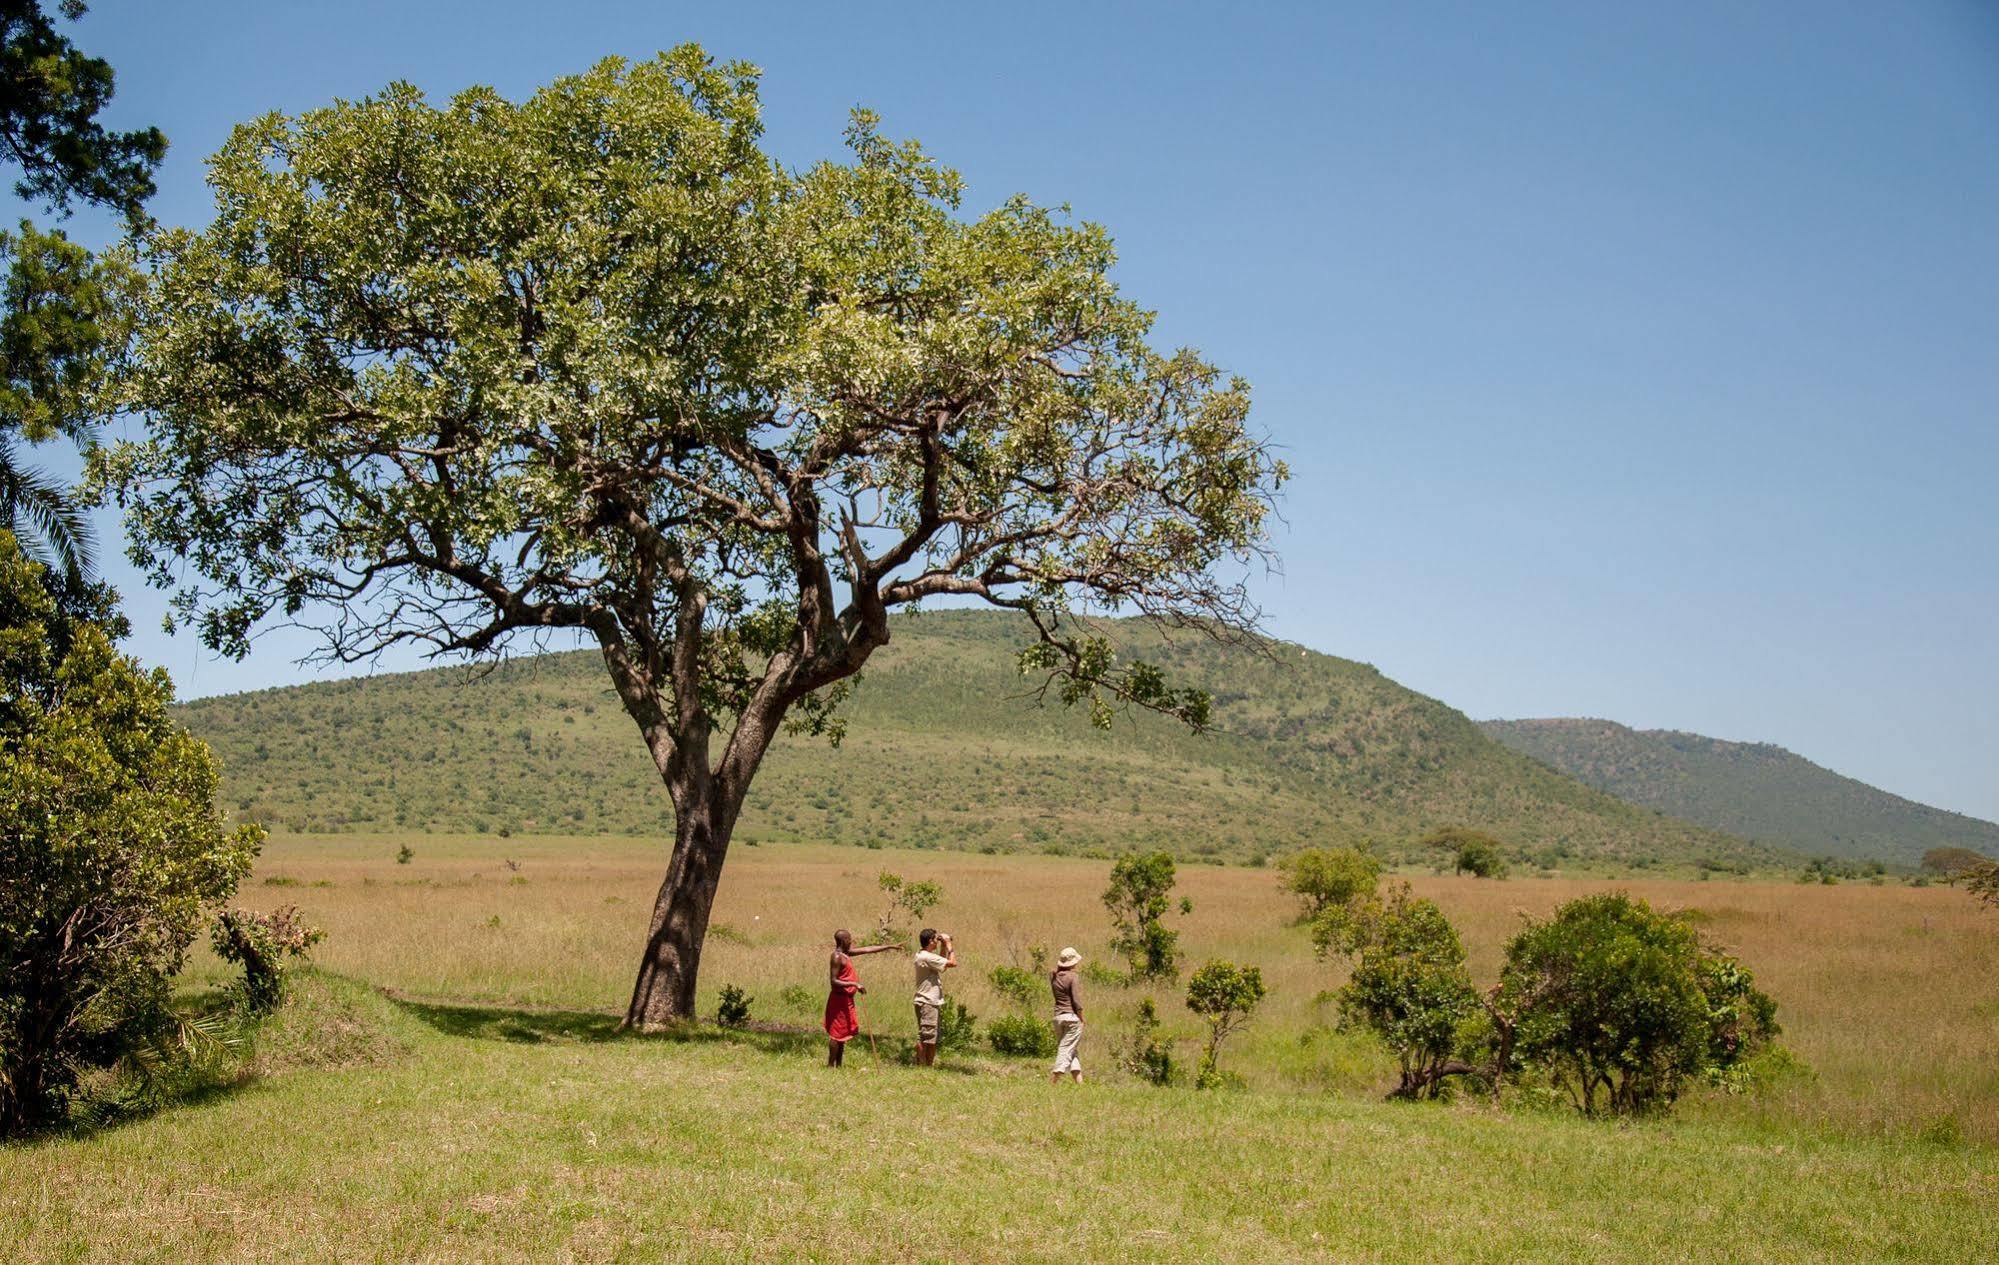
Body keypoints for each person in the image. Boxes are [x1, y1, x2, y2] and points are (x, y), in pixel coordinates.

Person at [824, 929, 900, 1067]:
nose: (851, 941)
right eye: (848, 939)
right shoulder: (836, 957)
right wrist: (854, 984)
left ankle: (839, 1065)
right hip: (838, 999)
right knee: (836, 1033)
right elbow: (833, 981)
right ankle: (830, 1066)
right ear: (842, 941)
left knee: (843, 1033)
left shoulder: (846, 954)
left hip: (847, 999)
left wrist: (889, 946)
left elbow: (867, 949)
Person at [911, 928, 957, 1066]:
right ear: (930, 941)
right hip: (928, 1001)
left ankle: (925, 1065)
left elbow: (941, 964)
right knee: (927, 1037)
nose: (937, 941)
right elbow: (952, 963)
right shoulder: (927, 957)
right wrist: (949, 947)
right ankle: (923, 1065)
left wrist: (942, 945)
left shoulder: (923, 955)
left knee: (929, 1037)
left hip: (927, 1001)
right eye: (935, 939)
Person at [1050, 946, 1084, 1084]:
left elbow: (1055, 972)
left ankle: (1080, 1082)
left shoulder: (1053, 976)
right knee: (1066, 1049)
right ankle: (1053, 1081)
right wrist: (1082, 1018)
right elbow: (1076, 1000)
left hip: (1058, 1017)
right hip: (1072, 1018)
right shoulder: (1073, 977)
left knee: (1071, 1049)